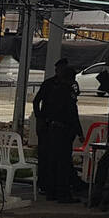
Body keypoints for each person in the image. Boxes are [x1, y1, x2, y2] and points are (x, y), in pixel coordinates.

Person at [31, 58, 69, 200]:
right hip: (46, 124)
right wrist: (39, 117)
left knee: (55, 158)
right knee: (44, 155)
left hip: (58, 127)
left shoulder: (67, 85)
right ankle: (43, 184)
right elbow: (36, 101)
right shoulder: (49, 84)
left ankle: (53, 185)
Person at [48, 63, 85, 202]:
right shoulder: (68, 93)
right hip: (63, 132)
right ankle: (63, 194)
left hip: (53, 129)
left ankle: (51, 192)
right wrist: (80, 133)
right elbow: (72, 114)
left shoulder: (54, 90)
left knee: (54, 162)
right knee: (63, 163)